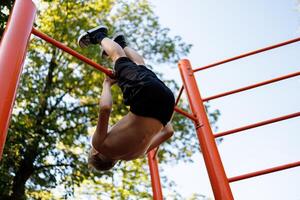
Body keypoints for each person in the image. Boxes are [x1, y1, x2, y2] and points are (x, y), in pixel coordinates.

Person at [78, 26, 175, 171]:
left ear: (113, 163)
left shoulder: (137, 154)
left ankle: (121, 44)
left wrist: (157, 117)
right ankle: (98, 36)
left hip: (166, 105)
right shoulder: (99, 145)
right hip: (144, 98)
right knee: (119, 59)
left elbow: (168, 131)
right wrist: (107, 84)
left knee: (141, 67)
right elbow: (105, 109)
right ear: (95, 152)